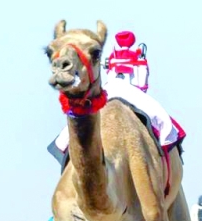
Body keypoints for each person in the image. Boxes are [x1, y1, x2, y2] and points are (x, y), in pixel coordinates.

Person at [47, 29, 180, 172]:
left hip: (111, 89)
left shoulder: (113, 55)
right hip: (132, 92)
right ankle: (166, 145)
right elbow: (142, 81)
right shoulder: (138, 55)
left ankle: (61, 146)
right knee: (162, 118)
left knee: (78, 122)